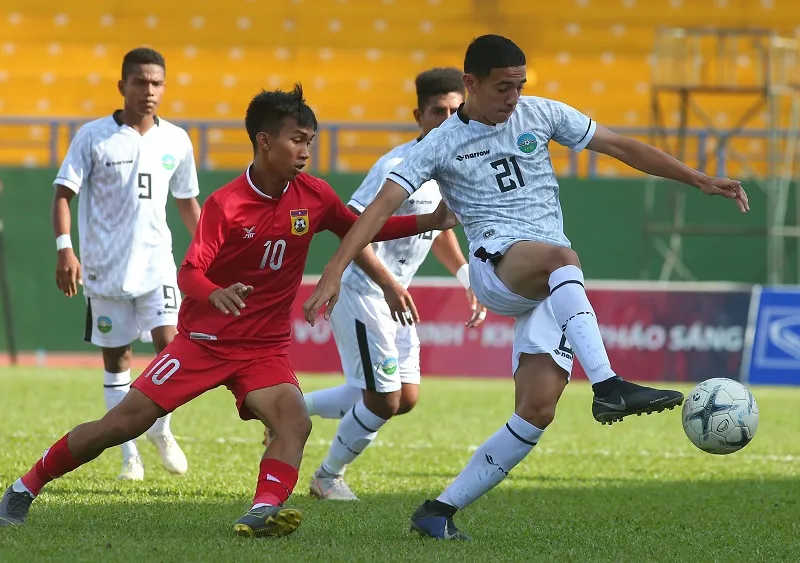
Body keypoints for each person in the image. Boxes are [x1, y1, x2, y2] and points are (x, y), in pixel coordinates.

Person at [302, 35, 750, 539]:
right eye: (502, 88)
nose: (513, 97)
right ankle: (608, 386)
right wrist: (335, 271)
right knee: (563, 256)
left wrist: (698, 179)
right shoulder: (439, 145)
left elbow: (622, 146)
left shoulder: (540, 114)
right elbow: (376, 210)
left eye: (519, 85)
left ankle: (438, 511)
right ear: (470, 84)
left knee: (536, 410)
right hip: (499, 269)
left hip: (547, 282)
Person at [0, 85, 457, 536]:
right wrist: (212, 292)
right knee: (121, 424)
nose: (305, 151)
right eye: (297, 139)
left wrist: (428, 221)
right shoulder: (226, 204)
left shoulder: (315, 195)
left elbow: (359, 228)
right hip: (204, 344)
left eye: (310, 142)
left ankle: (263, 509)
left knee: (293, 421)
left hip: (264, 350)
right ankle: (25, 486)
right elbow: (189, 273)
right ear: (264, 140)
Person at [302, 67, 488, 501]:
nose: (448, 118)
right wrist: (387, 283)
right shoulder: (397, 166)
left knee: (404, 398)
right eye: (437, 111)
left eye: (455, 110)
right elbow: (353, 227)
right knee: (382, 399)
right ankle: (327, 477)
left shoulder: (454, 166)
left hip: (394, 293)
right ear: (418, 116)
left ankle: (291, 410)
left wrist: (466, 277)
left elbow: (439, 230)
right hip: (365, 290)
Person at [52, 47, 199, 480]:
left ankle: (161, 428)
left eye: (156, 83)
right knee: (118, 362)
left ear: (164, 87)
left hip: (158, 265)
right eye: (140, 82)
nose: (149, 91)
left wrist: (212, 251)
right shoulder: (93, 136)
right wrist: (65, 248)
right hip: (105, 270)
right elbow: (63, 193)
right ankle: (128, 453)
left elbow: (188, 203)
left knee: (175, 350)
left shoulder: (177, 139)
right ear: (123, 87)